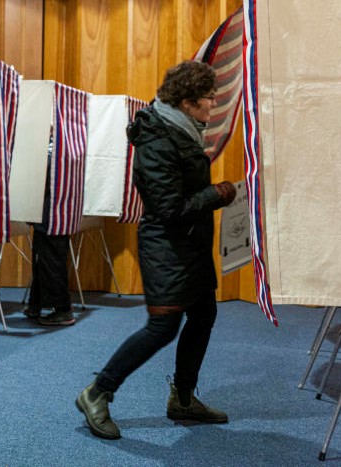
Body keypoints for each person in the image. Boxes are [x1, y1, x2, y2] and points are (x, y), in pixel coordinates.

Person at [75, 60, 236, 439]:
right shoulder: (158, 138)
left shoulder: (181, 129)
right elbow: (168, 208)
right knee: (163, 327)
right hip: (166, 246)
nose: (214, 106)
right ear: (187, 101)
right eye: (209, 99)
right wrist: (218, 194)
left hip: (189, 245)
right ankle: (97, 393)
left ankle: (182, 399)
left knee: (203, 315)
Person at [23, 136, 76, 327]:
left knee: (51, 260)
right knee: (42, 260)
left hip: (50, 212)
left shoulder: (53, 147)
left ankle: (63, 310)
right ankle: (35, 305)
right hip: (56, 210)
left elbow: (40, 176)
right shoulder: (69, 142)